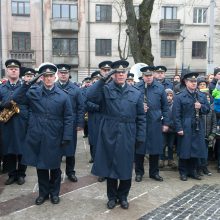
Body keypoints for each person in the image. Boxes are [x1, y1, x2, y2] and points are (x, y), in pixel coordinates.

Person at [86, 60, 146, 209]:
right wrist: (104, 78)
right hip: (109, 131)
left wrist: (140, 136)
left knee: (125, 166)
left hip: (128, 131)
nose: (120, 75)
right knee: (111, 165)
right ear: (113, 74)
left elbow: (141, 117)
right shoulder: (105, 89)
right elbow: (90, 95)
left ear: (127, 74)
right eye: (117, 72)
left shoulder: (136, 92)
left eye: (123, 72)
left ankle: (123, 196)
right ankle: (112, 197)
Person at [12, 63, 73, 205]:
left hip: (55, 135)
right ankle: (43, 193)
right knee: (41, 166)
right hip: (37, 134)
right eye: (45, 76)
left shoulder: (63, 96)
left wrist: (67, 136)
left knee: (55, 166)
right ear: (41, 78)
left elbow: (68, 118)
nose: (48, 78)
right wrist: (27, 84)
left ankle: (54, 193)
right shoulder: (33, 92)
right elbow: (15, 99)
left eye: (51, 76)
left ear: (55, 76)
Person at [134, 66, 170, 182]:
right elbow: (130, 105)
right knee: (139, 149)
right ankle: (139, 173)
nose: (148, 78)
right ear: (142, 76)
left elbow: (165, 107)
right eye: (146, 76)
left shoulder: (160, 88)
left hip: (155, 122)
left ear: (153, 75)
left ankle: (154, 173)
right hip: (140, 122)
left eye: (150, 76)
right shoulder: (136, 88)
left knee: (155, 149)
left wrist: (166, 123)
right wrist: (139, 108)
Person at [173, 72, 210, 181]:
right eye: (191, 82)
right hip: (185, 125)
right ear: (186, 82)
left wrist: (201, 106)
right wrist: (179, 128)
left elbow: (207, 110)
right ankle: (183, 172)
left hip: (198, 125)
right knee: (185, 150)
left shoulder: (201, 95)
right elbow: (176, 114)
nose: (194, 83)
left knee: (196, 149)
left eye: (195, 82)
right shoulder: (180, 96)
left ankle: (193, 171)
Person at [0, 59, 28, 185]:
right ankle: (12, 174)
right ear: (7, 71)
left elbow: (30, 104)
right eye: (11, 69)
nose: (13, 70)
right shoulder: (2, 87)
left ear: (19, 71)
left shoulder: (25, 87)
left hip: (21, 122)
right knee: (9, 149)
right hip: (7, 123)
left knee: (22, 149)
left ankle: (21, 174)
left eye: (16, 69)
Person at [56, 64, 84, 182]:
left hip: (71, 123)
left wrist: (80, 123)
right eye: (61, 72)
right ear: (57, 74)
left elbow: (80, 107)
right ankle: (56, 171)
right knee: (56, 148)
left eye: (65, 73)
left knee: (70, 149)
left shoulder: (75, 89)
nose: (63, 74)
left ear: (69, 74)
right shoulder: (53, 86)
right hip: (56, 123)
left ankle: (70, 172)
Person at [159, 88, 177, 169]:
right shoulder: (161, 105)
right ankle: (161, 159)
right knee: (162, 145)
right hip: (163, 129)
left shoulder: (175, 106)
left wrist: (171, 125)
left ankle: (170, 160)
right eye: (167, 95)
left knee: (170, 145)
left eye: (171, 95)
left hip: (172, 129)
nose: (169, 97)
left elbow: (176, 117)